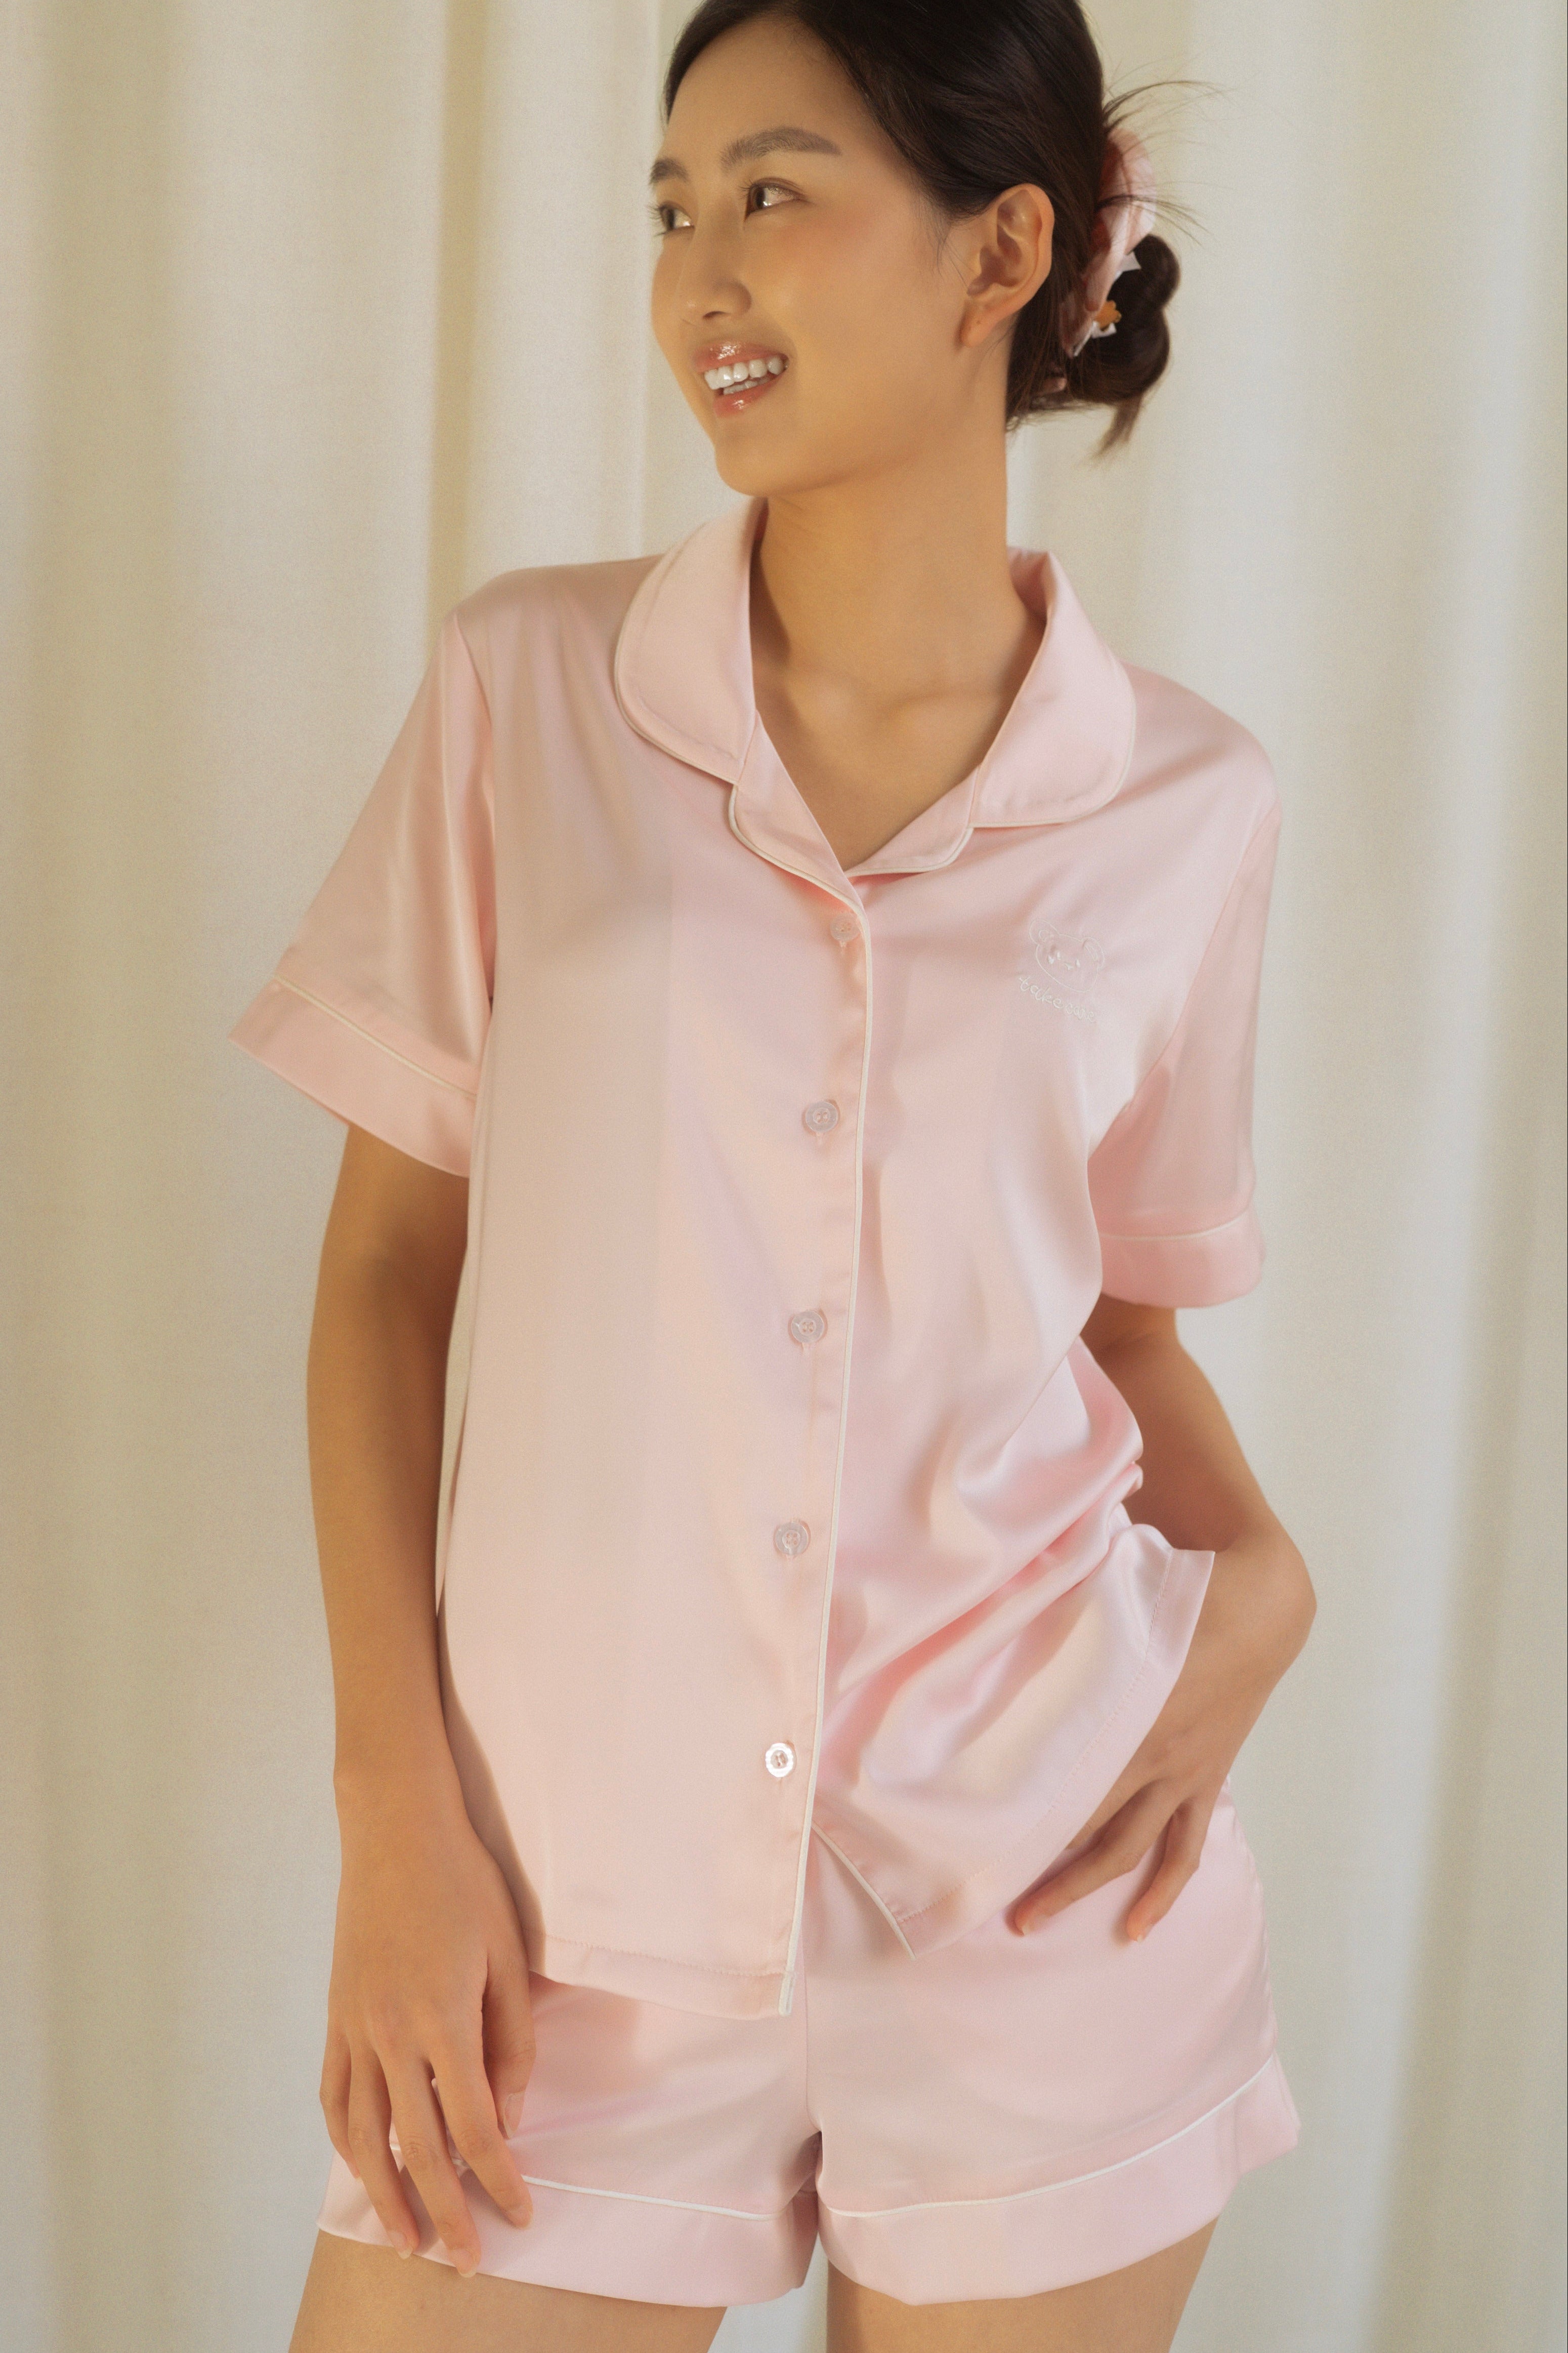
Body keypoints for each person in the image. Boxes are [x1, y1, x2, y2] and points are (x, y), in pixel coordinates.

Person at [236, 3, 1317, 2346]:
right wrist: (394, 1818)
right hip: (552, 1929)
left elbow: (1116, 1318)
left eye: (771, 193)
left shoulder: (1189, 807)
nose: (699, 275)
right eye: (672, 209)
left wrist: (1263, 1577)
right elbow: (388, 1270)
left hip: (1040, 1902)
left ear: (998, 253)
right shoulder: (531, 690)